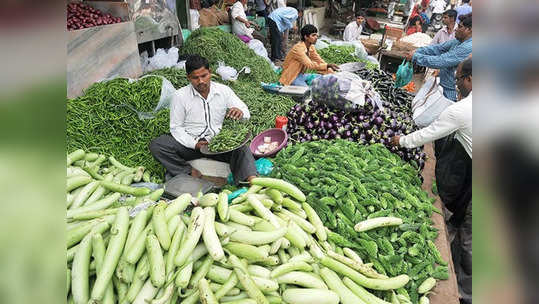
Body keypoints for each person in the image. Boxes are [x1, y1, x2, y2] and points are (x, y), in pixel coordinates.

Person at [391, 57, 472, 304]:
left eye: (458, 79)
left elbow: (428, 132)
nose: (457, 84)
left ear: (471, 79)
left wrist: (400, 141)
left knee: (471, 236)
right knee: (464, 227)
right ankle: (463, 278)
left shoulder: (462, 110)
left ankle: (466, 293)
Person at [149, 55, 258, 184]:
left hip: (217, 144)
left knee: (243, 150)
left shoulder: (223, 91)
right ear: (188, 78)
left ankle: (252, 182)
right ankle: (188, 171)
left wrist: (240, 112)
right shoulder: (180, 96)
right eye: (195, 78)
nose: (201, 81)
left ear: (210, 73)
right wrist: (193, 144)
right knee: (158, 145)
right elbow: (176, 127)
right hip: (191, 146)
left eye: (204, 76)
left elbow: (245, 111)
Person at [406, 13, 472, 102]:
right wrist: (418, 51)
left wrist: (416, 57)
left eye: (460, 27)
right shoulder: (458, 41)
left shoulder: (468, 47)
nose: (456, 29)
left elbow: (441, 61)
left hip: (454, 92)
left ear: (469, 30)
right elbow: (438, 48)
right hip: (444, 87)